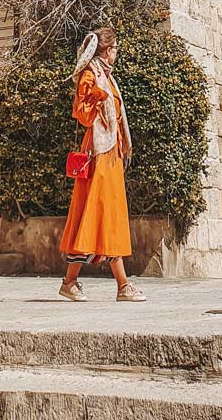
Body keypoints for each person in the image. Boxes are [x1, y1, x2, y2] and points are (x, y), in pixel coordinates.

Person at [58, 27, 146, 302]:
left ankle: (72, 281)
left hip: (111, 152)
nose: (117, 52)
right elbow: (82, 115)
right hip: (98, 152)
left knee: (100, 214)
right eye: (116, 48)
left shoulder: (107, 77)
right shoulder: (91, 77)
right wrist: (97, 96)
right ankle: (122, 285)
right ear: (107, 51)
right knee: (102, 214)